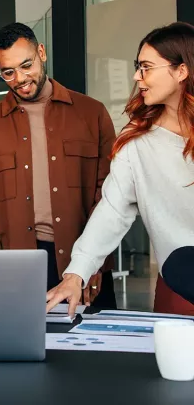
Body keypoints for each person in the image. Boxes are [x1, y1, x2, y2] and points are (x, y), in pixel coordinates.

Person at [0, 22, 117, 308]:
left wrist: (94, 262)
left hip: (82, 261)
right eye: (8, 72)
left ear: (41, 53)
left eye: (26, 65)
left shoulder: (92, 114)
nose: (20, 78)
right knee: (19, 352)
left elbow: (108, 196)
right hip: (15, 268)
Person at [46, 22, 194, 316]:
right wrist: (77, 272)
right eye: (137, 67)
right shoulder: (136, 141)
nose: (136, 76)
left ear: (181, 71)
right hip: (180, 290)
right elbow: (112, 211)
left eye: (146, 67)